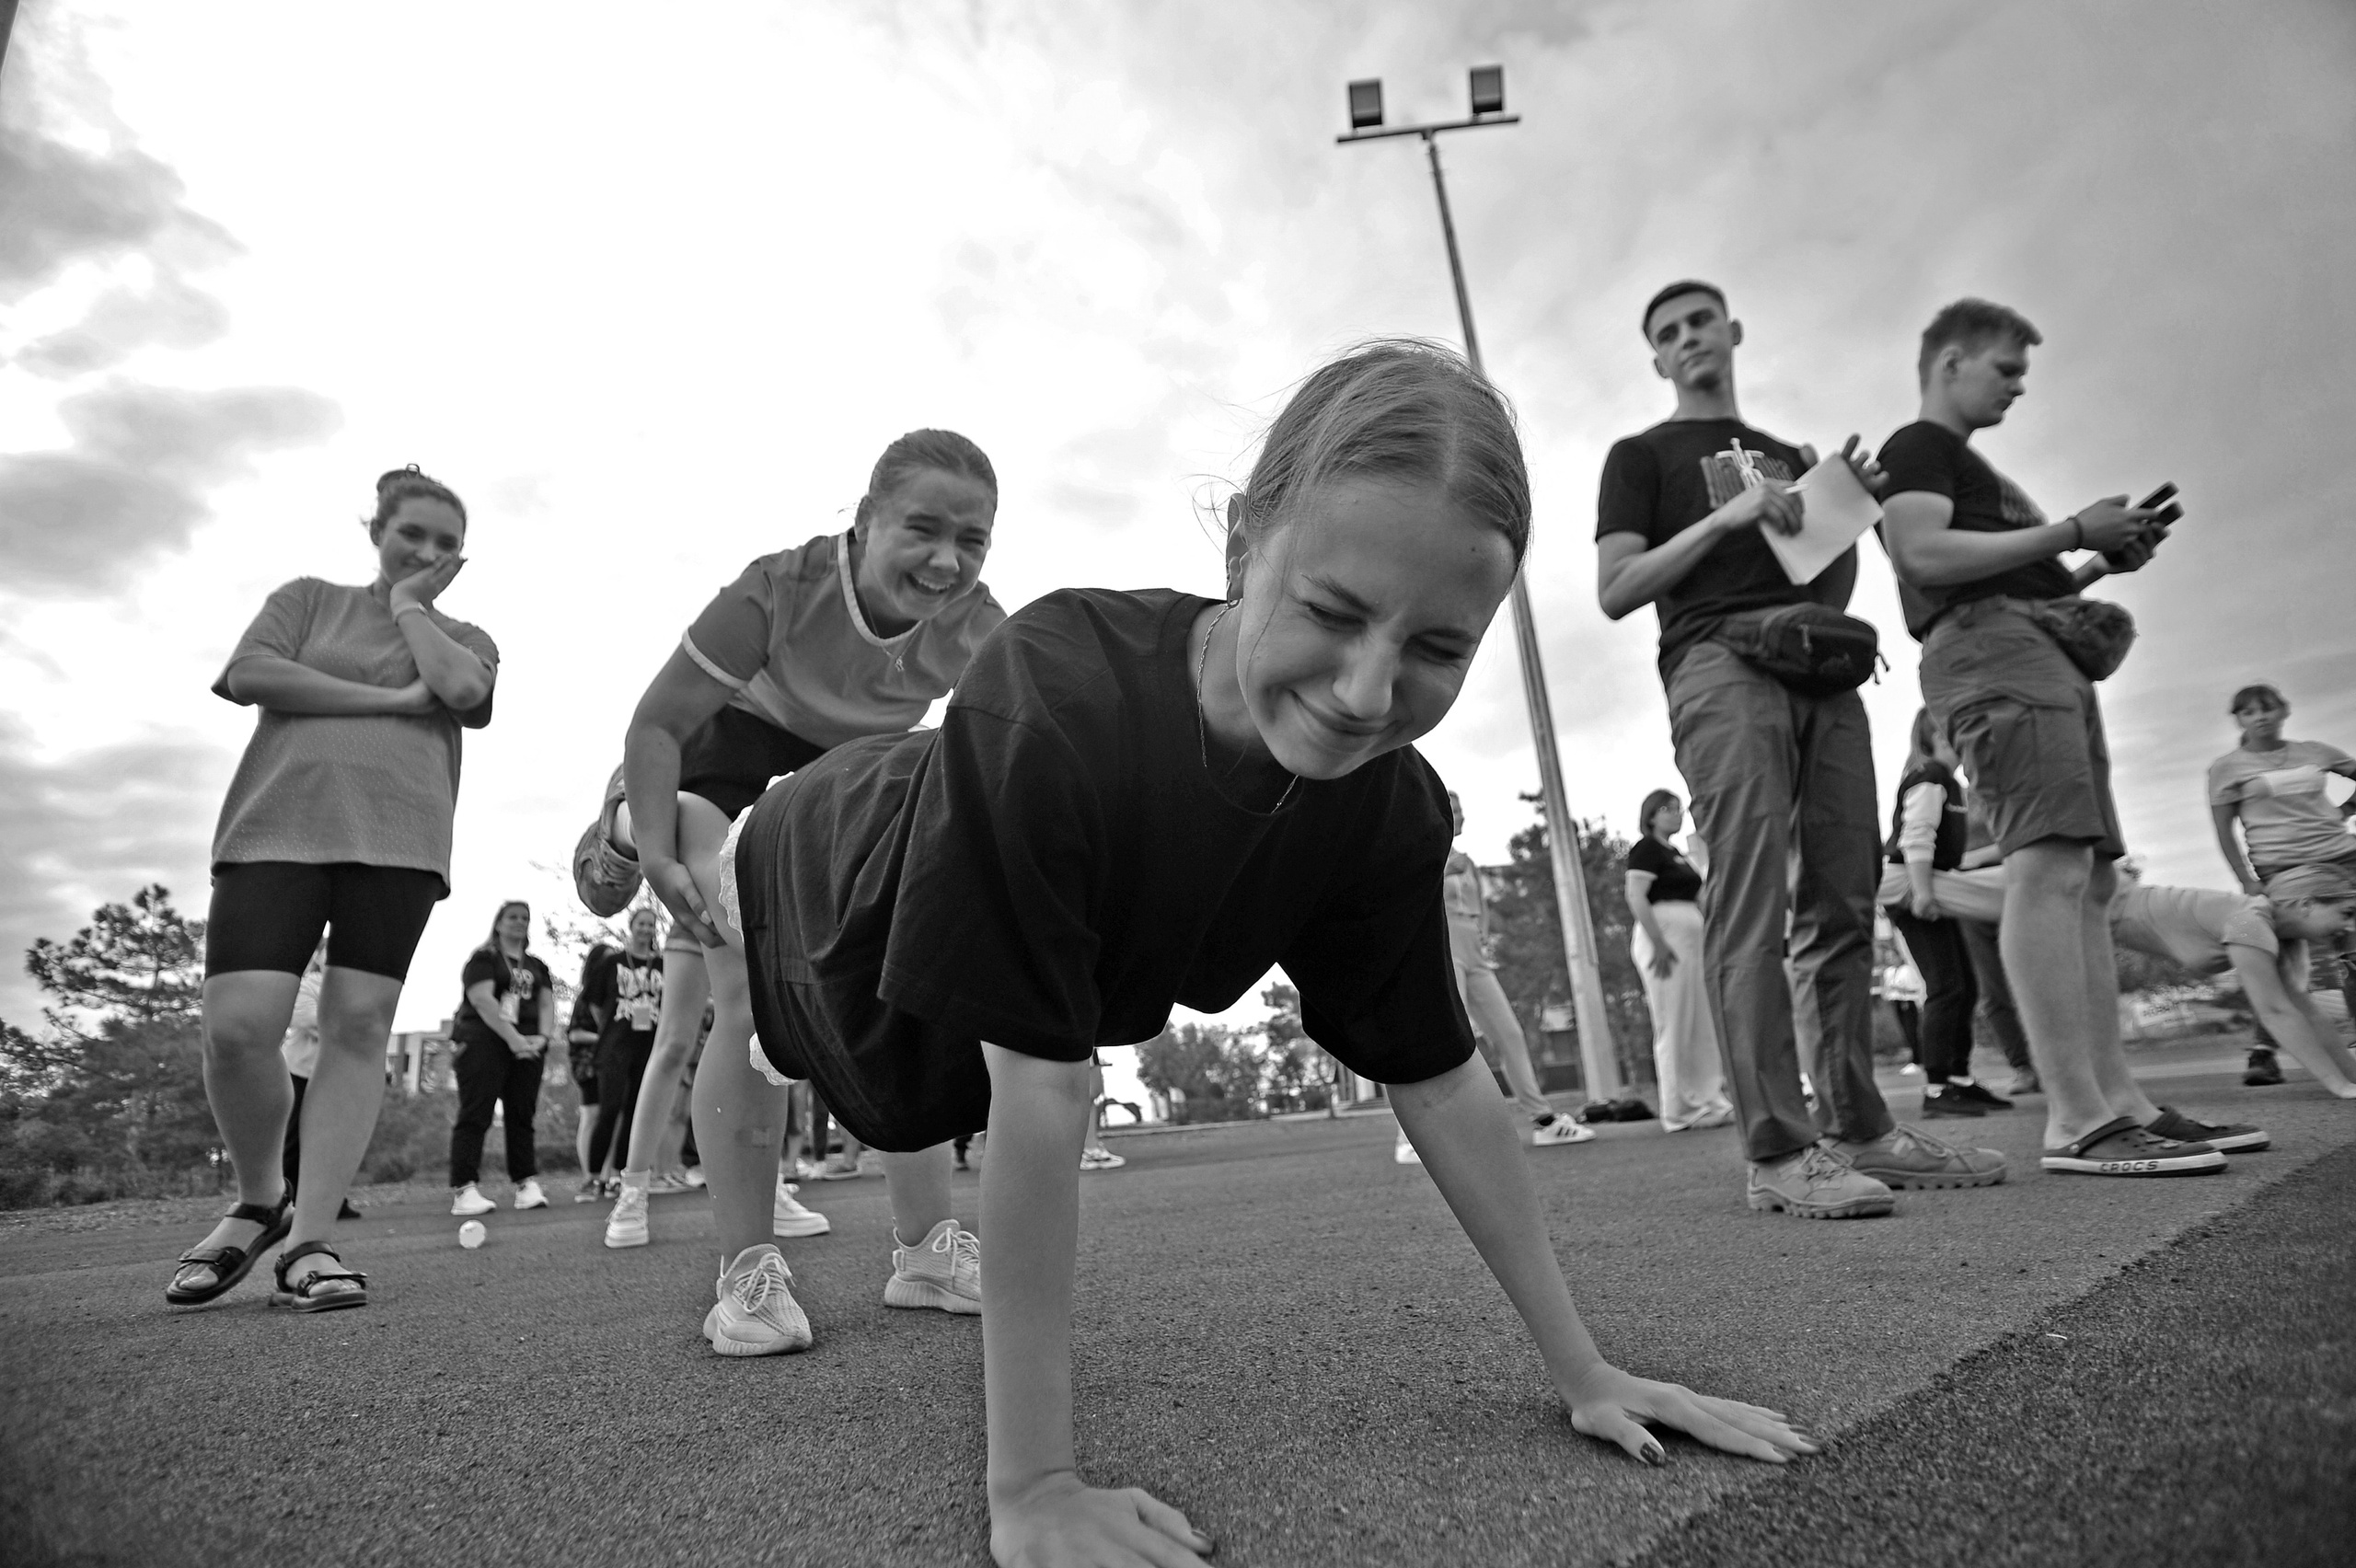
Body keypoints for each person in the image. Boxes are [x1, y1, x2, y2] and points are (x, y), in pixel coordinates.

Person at [708, 341, 1813, 1562]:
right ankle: (751, 1185)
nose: (1364, 692)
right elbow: (1045, 1092)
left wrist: (1585, 1366)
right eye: (1332, 613)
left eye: (1439, 649)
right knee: (807, 1056)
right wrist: (1033, 1487)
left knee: (929, 1094)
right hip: (827, 861)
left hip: (970, 981)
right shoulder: (1055, 689)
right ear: (1243, 548)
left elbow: (1439, 1076)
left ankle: (916, 1248)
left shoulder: (1385, 807)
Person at [1596, 280, 2004, 1219]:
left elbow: (1827, 580)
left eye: (1702, 321)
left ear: (1733, 332)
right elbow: (1616, 588)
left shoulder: (1785, 453)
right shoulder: (1639, 455)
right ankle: (1778, 1152)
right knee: (1748, 894)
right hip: (1716, 663)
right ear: (1656, 359)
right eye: (1669, 332)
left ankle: (1860, 1129)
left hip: (1819, 661)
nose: (1690, 337)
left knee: (1842, 896)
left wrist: (1844, 506)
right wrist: (1727, 516)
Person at [585, 429, 1007, 1252]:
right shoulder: (778, 588)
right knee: (745, 981)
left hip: (842, 779)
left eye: (972, 540)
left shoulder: (977, 623)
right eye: (923, 529)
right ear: (866, 518)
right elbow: (660, 720)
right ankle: (627, 830)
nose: (946, 562)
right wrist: (668, 859)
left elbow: (1023, 741)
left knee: (901, 973)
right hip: (724, 755)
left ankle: (926, 1250)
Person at [1877, 297, 2221, 1179]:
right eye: (2007, 370)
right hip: (1993, 655)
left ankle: (2120, 1101)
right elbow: (1922, 555)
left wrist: (2100, 558)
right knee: (2048, 864)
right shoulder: (1920, 448)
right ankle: (2076, 1115)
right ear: (1951, 362)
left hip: (2037, 650)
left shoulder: (1965, 465)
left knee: (2091, 878)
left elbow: (2017, 575)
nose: (2018, 389)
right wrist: (2075, 528)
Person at [167, 465, 497, 1311]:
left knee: (356, 1028)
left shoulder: (466, 635)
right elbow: (251, 674)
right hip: (276, 826)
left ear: (462, 558)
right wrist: (389, 697)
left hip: (400, 840)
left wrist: (409, 609)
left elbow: (461, 693)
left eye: (446, 543)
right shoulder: (307, 599)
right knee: (238, 1030)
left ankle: (309, 1240)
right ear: (377, 531)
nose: (426, 551)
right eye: (411, 534)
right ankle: (258, 1196)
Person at [1397, 790, 1594, 1163]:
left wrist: (1483, 937)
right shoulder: (1418, 851)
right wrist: (1439, 868)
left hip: (1474, 951)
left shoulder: (1467, 862)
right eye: (1453, 809)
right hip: (1440, 947)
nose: (1460, 814)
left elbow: (1480, 908)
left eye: (1461, 809)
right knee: (1438, 1037)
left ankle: (1544, 1119)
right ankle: (1411, 1138)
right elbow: (1403, 896)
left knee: (1510, 1033)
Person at [2111, 863, 2356, 1130]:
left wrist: (2351, 1078)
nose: (2350, 927)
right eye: (2347, 913)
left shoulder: (2269, 929)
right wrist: (2338, 1085)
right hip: (2105, 898)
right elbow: (2275, 1012)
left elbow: (2310, 1014)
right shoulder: (2249, 921)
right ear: (2306, 904)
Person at [2207, 683, 2356, 1083]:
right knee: (2277, 960)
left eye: (2268, 708)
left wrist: (2344, 811)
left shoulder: (2314, 751)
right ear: (2239, 719)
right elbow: (2224, 830)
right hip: (2281, 870)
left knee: (2353, 946)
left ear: (2284, 711)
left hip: (2343, 858)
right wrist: (2247, 881)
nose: (2261, 716)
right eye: (2250, 712)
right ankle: (2263, 1053)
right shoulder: (2227, 768)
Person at [1880, 708, 2014, 1118]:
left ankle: (1958, 1078)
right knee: (1944, 986)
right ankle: (1937, 1088)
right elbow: (1916, 836)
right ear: (1941, 734)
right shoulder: (1930, 777)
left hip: (1933, 880)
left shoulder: (1949, 781)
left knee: (1965, 985)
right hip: (1910, 883)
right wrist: (1921, 894)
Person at [1623, 789, 1733, 1130]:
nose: (1676, 814)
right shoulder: (1646, 849)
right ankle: (1679, 1109)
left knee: (1700, 1020)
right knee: (1673, 1020)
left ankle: (1709, 1096)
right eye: (1668, 809)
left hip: (1691, 940)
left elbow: (1704, 898)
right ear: (1652, 814)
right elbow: (1636, 896)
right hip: (1665, 941)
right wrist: (1658, 942)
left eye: (1678, 808)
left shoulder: (1679, 855)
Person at [448, 901, 557, 1214]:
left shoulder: (537, 966)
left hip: (528, 1045)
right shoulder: (484, 959)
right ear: (498, 923)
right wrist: (513, 1039)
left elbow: (547, 1004)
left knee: (522, 1115)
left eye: (525, 918)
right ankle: (464, 1188)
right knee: (476, 1112)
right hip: (484, 1042)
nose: (519, 922)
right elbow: (482, 1000)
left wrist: (543, 1038)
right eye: (512, 917)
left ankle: (525, 1182)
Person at [567, 941, 618, 1200]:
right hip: (588, 1065)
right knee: (591, 1116)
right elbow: (575, 1033)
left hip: (612, 1065)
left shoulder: (616, 997)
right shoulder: (585, 998)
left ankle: (607, 1177)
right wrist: (604, 1038)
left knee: (610, 1118)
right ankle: (589, 1176)